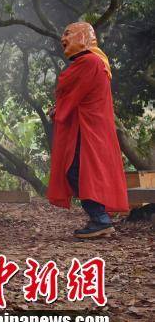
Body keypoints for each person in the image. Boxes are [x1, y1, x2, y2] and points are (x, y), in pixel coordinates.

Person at [47, 22, 129, 238]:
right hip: (93, 126)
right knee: (85, 172)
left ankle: (100, 219)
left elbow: (67, 87)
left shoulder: (88, 61)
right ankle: (99, 218)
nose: (63, 39)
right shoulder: (97, 61)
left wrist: (58, 109)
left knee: (75, 170)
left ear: (82, 37)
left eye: (68, 34)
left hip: (87, 128)